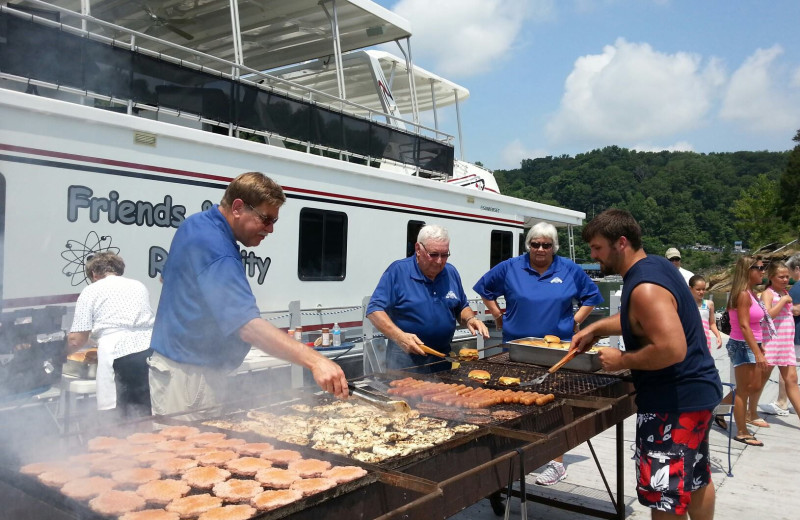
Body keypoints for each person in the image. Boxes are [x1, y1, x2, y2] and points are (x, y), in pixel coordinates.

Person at [149, 172, 348, 420]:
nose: (271, 229)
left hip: (186, 372)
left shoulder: (196, 224)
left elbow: (166, 278)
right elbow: (247, 327)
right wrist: (316, 361)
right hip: (191, 378)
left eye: (274, 221)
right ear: (238, 207)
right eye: (266, 219)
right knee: (189, 456)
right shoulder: (215, 247)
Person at [573, 209, 721, 519]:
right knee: (695, 478)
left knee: (664, 494)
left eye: (597, 248)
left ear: (621, 242)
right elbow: (638, 319)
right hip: (698, 394)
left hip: (672, 403)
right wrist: (596, 328)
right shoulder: (655, 266)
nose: (593, 255)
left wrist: (622, 359)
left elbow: (671, 348)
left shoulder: (644, 288)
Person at [473, 221, 603, 486]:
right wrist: (497, 314)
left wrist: (576, 320)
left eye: (546, 245)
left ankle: (556, 463)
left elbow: (591, 297)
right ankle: (515, 453)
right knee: (513, 400)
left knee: (553, 404)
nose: (540, 249)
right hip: (516, 349)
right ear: (528, 245)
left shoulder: (569, 269)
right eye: (535, 244)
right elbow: (484, 289)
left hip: (557, 352)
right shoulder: (511, 267)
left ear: (554, 247)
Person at [366, 225, 489, 373]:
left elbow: (461, 306)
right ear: (418, 249)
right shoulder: (398, 271)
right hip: (405, 362)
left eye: (444, 255)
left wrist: (470, 319)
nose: (439, 261)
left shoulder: (451, 272)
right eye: (434, 254)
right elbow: (374, 310)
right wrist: (400, 337)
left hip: (441, 359)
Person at [67, 252, 154, 419]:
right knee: (144, 412)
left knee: (119, 414)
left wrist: (58, 354)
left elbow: (76, 339)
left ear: (94, 274)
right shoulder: (138, 285)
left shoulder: (91, 290)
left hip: (118, 354)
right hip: (149, 351)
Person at [723, 255, 771, 444]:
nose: (762, 271)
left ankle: (717, 409)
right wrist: (757, 351)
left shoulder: (750, 293)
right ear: (747, 271)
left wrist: (760, 346)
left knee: (754, 386)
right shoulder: (743, 294)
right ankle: (742, 431)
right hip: (743, 345)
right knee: (744, 390)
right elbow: (744, 326)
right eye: (758, 268)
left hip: (752, 344)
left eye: (762, 268)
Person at [759, 261, 800, 418]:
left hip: (786, 344)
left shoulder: (784, 293)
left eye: (787, 277)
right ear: (771, 277)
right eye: (781, 277)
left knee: (792, 380)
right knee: (757, 382)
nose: (785, 280)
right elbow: (767, 316)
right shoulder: (768, 293)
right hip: (771, 344)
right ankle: (732, 409)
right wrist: (783, 301)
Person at [689, 275, 723, 352]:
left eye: (703, 289)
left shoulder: (709, 304)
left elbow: (712, 323)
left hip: (705, 340)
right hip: (690, 341)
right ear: (690, 289)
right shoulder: (686, 304)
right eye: (698, 289)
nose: (701, 292)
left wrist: (718, 336)